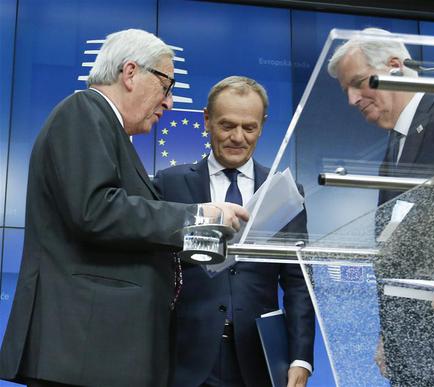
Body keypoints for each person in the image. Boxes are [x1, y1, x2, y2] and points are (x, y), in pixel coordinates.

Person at [0, 29, 248, 387]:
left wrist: (205, 242)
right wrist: (200, 215)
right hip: (83, 353)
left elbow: (128, 230)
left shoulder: (108, 129)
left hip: (99, 354)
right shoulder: (83, 111)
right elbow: (96, 211)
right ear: (131, 73)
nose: (170, 102)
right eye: (167, 86)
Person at [328, 28, 434, 385]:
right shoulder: (393, 146)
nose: (353, 99)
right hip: (416, 346)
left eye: (358, 83)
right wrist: (392, 330)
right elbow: (395, 250)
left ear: (396, 67)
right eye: (346, 91)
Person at [153, 76, 315, 387]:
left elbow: (299, 284)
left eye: (249, 127)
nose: (237, 137)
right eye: (227, 125)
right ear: (206, 120)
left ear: (263, 125)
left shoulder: (284, 192)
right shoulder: (169, 183)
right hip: (183, 360)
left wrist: (301, 358)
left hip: (260, 361)